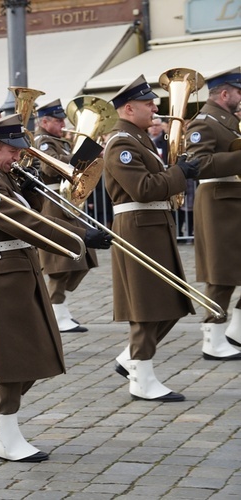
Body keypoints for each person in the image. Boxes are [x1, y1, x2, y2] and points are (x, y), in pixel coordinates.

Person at [0, 114, 111, 463]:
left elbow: (39, 212)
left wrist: (32, 189)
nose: (18, 158)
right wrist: (79, 236)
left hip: (18, 268)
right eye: (12, 151)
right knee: (14, 356)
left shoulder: (3, 176)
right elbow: (23, 221)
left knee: (36, 350)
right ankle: (4, 430)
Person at [103, 74, 202, 401]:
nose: (155, 107)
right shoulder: (121, 143)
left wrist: (178, 170)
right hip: (139, 227)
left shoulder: (139, 138)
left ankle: (131, 360)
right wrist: (180, 174)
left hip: (153, 225)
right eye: (148, 103)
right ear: (128, 108)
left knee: (171, 302)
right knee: (147, 307)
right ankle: (141, 377)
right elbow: (143, 188)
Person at [185, 67, 241, 360]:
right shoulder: (205, 122)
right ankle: (213, 337)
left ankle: (236, 332)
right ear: (224, 93)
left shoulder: (227, 121)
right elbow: (198, 164)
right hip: (218, 203)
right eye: (239, 93)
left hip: (232, 201)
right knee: (220, 276)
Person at [33, 99, 99, 332]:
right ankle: (57, 311)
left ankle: (58, 307)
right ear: (44, 121)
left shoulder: (58, 141)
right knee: (61, 263)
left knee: (81, 259)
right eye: (58, 120)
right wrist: (76, 159)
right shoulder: (42, 141)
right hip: (53, 203)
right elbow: (49, 168)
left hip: (67, 202)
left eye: (62, 119)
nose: (63, 123)